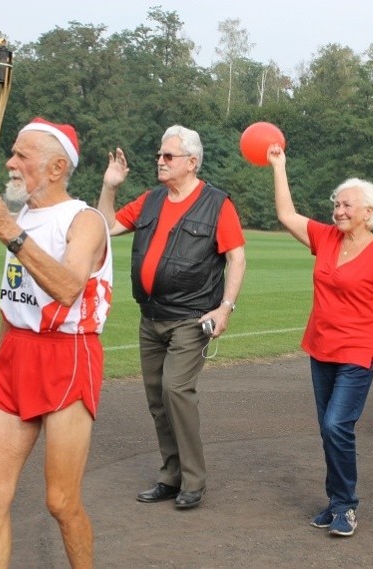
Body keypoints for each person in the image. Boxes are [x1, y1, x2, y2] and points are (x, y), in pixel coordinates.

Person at [0, 117, 113, 568]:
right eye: (11, 152)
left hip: (66, 356)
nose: (11, 163)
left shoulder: (84, 220)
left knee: (60, 502)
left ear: (55, 168)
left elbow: (68, 287)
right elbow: (12, 303)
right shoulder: (24, 217)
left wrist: (8, 232)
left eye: (21, 156)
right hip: (17, 354)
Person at [97, 125, 246, 510]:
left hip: (192, 317)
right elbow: (105, 227)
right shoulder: (150, 201)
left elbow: (236, 257)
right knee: (157, 398)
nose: (160, 162)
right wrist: (110, 186)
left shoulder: (217, 204)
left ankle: (193, 481)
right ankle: (170, 475)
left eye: (168, 157)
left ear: (192, 163)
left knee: (176, 390)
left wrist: (225, 308)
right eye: (159, 156)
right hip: (152, 316)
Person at [267, 143, 373, 537]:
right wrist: (279, 166)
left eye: (347, 205)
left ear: (368, 213)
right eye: (337, 204)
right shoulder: (325, 238)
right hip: (321, 347)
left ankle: (346, 505)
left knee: (336, 426)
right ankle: (335, 501)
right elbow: (285, 214)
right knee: (329, 428)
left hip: (358, 353)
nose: (339, 210)